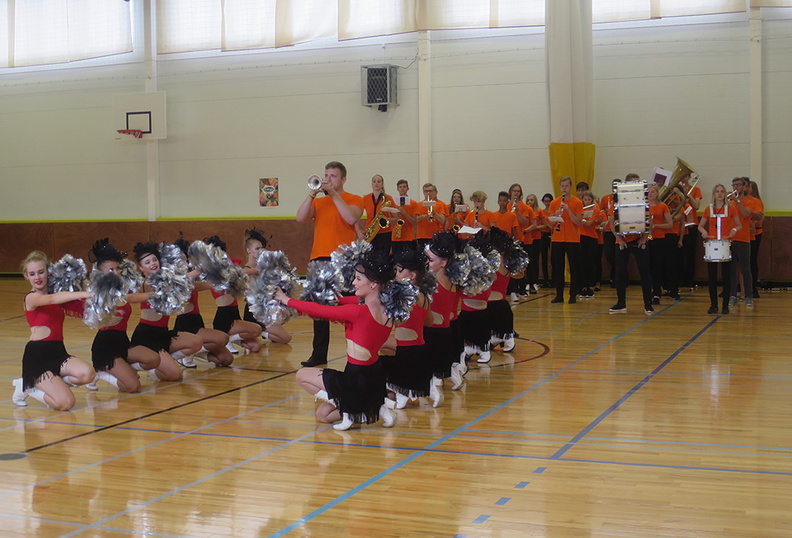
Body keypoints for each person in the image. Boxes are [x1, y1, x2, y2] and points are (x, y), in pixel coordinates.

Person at [274, 252, 397, 431]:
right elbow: (338, 301)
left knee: (301, 375)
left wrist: (287, 300)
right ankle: (370, 407)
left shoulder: (359, 312)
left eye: (358, 279)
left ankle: (350, 408)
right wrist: (323, 294)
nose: (353, 283)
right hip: (374, 377)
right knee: (323, 415)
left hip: (355, 378)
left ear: (373, 284)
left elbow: (321, 310)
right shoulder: (388, 307)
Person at [296, 161, 364, 367]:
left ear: (343, 179)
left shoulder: (354, 199)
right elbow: (300, 218)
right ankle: (318, 354)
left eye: (333, 176)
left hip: (343, 260)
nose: (328, 179)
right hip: (319, 259)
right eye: (326, 175)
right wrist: (312, 194)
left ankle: (356, 351)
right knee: (319, 309)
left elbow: (351, 218)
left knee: (350, 306)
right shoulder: (318, 202)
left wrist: (333, 195)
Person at [12, 251, 94, 410]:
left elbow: (75, 306)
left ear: (48, 272)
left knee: (88, 374)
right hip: (37, 358)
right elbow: (51, 299)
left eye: (41, 272)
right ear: (26, 276)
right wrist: (86, 293)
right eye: (32, 273)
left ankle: (54, 383)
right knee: (66, 403)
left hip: (58, 353)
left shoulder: (57, 295)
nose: (37, 277)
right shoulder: (32, 298)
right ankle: (27, 387)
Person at [86, 239, 162, 392]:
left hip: (122, 343)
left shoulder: (120, 287)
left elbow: (134, 294)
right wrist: (157, 294)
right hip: (105, 348)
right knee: (133, 386)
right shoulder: (100, 293)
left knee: (153, 359)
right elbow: (131, 298)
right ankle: (99, 374)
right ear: (101, 274)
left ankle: (125, 369)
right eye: (111, 270)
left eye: (117, 269)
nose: (117, 272)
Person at [128, 242, 198, 381]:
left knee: (195, 342)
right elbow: (175, 283)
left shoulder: (164, 277)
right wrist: (201, 269)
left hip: (163, 333)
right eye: (147, 262)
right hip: (147, 336)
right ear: (141, 268)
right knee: (175, 375)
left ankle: (164, 361)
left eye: (154, 259)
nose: (153, 263)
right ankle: (135, 366)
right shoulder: (148, 283)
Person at [380, 249, 433, 409]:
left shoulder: (406, 296)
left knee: (377, 366)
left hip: (408, 355)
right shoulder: (424, 295)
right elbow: (429, 321)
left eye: (399, 270)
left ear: (412, 275)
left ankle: (401, 394)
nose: (395, 274)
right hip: (419, 350)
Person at [608, 176, 654, 315]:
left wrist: (644, 237)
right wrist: (619, 238)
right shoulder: (618, 199)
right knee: (620, 273)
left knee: (645, 273)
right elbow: (611, 222)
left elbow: (649, 221)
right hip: (622, 240)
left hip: (639, 239)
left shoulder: (643, 198)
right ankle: (621, 303)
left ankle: (648, 304)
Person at [241, 228, 292, 344]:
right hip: (254, 312)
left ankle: (261, 332)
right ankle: (257, 331)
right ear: (249, 251)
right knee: (285, 338)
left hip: (265, 310)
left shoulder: (264, 267)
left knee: (285, 338)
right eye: (257, 248)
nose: (261, 251)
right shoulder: (247, 269)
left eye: (262, 248)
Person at [698, 184, 741, 314]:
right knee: (712, 277)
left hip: (726, 244)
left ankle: (725, 305)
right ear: (714, 194)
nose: (720, 194)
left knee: (726, 276)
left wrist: (734, 230)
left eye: (722, 191)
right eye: (717, 191)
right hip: (712, 245)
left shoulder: (731, 208)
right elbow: (700, 226)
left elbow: (739, 225)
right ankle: (713, 305)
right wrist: (703, 232)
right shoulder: (708, 209)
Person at [548, 176, 584, 304]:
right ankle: (559, 295)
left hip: (572, 239)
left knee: (574, 267)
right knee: (558, 267)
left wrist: (568, 210)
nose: (564, 188)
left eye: (566, 186)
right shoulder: (554, 203)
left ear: (571, 187)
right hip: (558, 238)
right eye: (562, 186)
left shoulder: (577, 202)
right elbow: (550, 224)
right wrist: (555, 216)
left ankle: (573, 294)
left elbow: (578, 222)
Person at [727, 177, 757, 309]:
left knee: (745, 269)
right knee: (731, 269)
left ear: (745, 187)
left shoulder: (751, 201)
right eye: (734, 185)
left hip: (744, 238)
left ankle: (749, 296)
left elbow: (745, 214)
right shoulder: (730, 203)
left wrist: (737, 201)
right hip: (730, 239)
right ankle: (733, 295)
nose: (736, 187)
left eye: (738, 185)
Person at [646, 184, 675, 305]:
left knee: (657, 267)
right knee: (647, 267)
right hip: (645, 239)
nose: (650, 194)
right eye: (648, 192)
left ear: (657, 193)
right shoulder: (643, 206)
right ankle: (648, 292)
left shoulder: (663, 206)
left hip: (658, 239)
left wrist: (656, 226)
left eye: (653, 192)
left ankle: (657, 292)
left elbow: (670, 224)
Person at [358, 174, 395, 256]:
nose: (376, 183)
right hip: (369, 232)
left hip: (385, 233)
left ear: (382, 184)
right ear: (371, 184)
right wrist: (359, 231)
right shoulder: (365, 198)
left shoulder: (388, 198)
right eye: (374, 181)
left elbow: (396, 218)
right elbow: (357, 215)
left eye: (379, 181)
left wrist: (386, 220)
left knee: (383, 258)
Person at [677, 172, 703, 290]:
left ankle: (689, 279)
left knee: (691, 253)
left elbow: (696, 206)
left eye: (686, 176)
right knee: (679, 253)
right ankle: (679, 279)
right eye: (681, 177)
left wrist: (689, 196)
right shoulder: (676, 189)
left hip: (692, 224)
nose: (684, 179)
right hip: (680, 225)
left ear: (689, 178)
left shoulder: (696, 189)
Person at [578, 190, 603, 298]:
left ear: (592, 200)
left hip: (592, 238)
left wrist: (581, 219)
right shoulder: (579, 210)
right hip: (581, 237)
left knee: (591, 262)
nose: (587, 202)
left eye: (589, 200)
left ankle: (591, 287)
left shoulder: (595, 210)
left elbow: (590, 223)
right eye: (585, 200)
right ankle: (583, 286)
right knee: (582, 262)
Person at [414, 183, 448, 251]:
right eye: (426, 191)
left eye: (430, 191)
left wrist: (435, 213)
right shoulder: (418, 205)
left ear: (434, 192)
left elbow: (442, 221)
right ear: (423, 192)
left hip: (435, 236)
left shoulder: (439, 205)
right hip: (421, 236)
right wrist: (422, 217)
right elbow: (413, 221)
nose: (428, 193)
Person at [391, 179, 419, 257]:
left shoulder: (413, 203)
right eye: (400, 187)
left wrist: (404, 213)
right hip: (396, 237)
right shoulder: (393, 203)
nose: (402, 189)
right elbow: (390, 220)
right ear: (397, 189)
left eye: (404, 187)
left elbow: (414, 222)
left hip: (409, 238)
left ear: (408, 188)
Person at [748, 180, 765, 298]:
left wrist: (748, 214)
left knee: (752, 259)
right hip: (743, 233)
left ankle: (753, 286)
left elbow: (760, 219)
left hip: (755, 233)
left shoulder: (756, 202)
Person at [600, 182, 618, 287]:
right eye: (614, 187)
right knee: (609, 255)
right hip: (608, 230)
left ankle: (616, 278)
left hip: (618, 230)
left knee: (618, 256)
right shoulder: (605, 198)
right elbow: (601, 211)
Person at [538, 193, 554, 286]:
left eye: (548, 201)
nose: (547, 203)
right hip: (543, 235)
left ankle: (554, 280)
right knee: (543, 258)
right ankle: (545, 279)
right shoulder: (541, 211)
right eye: (545, 201)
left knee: (552, 258)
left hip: (552, 235)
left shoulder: (553, 211)